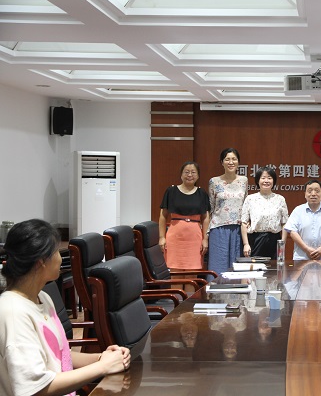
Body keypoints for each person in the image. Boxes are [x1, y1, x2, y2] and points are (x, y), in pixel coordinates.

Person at [0, 219, 131, 396]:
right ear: (40, 262)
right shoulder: (12, 312)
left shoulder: (42, 298)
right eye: (56, 252)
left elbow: (60, 356)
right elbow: (36, 388)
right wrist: (102, 367)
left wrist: (102, 358)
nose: (61, 258)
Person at [159, 161, 211, 272]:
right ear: (181, 175)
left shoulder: (202, 193)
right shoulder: (171, 191)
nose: (190, 175)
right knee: (175, 274)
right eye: (186, 172)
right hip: (175, 237)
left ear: (198, 175)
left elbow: (206, 218)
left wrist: (205, 239)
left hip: (194, 238)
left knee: (192, 274)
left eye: (193, 172)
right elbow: (163, 216)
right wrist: (162, 237)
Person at [208, 148, 248, 274]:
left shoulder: (244, 180)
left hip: (238, 229)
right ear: (222, 162)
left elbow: (245, 204)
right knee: (218, 267)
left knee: (236, 268)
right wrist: (206, 234)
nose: (231, 162)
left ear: (238, 162)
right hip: (218, 228)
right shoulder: (214, 181)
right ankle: (215, 288)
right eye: (227, 159)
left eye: (234, 159)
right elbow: (211, 207)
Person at [285, 180, 321, 260]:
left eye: (317, 191)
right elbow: (292, 232)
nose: (313, 194)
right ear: (305, 194)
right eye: (309, 191)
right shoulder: (297, 210)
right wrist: (306, 249)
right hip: (301, 257)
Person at [240, 166, 289, 259]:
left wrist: (282, 244)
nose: (266, 181)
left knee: (274, 267)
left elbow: (284, 223)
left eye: (269, 178)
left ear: (273, 181)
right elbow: (244, 223)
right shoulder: (250, 199)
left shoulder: (280, 199)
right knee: (256, 267)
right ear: (258, 181)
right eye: (263, 178)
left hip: (274, 240)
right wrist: (246, 244)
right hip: (256, 240)